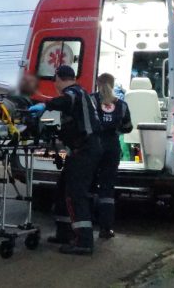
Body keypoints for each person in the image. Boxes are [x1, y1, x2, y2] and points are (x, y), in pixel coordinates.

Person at [29, 65, 102, 255]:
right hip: (82, 149)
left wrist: (45, 105)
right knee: (63, 190)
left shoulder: (74, 92)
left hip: (85, 150)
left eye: (55, 81)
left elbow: (65, 101)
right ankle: (64, 232)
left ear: (59, 79)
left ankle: (84, 241)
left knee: (76, 194)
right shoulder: (81, 96)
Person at [91, 73, 133, 239]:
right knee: (107, 188)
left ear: (97, 83)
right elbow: (128, 127)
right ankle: (105, 228)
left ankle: (85, 226)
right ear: (113, 84)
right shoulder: (122, 105)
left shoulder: (91, 100)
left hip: (94, 146)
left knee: (89, 184)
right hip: (112, 148)